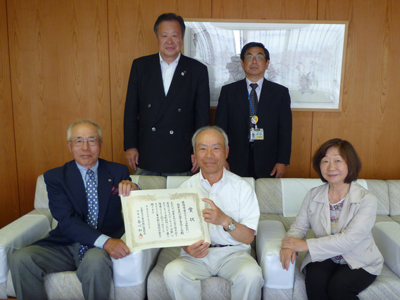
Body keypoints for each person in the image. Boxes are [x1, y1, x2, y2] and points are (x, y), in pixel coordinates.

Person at [10, 120, 139, 300]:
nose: (85, 147)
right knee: (20, 258)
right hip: (66, 245)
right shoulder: (55, 177)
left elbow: (137, 205)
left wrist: (134, 190)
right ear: (70, 146)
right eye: (78, 141)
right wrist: (107, 241)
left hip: (98, 251)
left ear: (100, 144)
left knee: (95, 261)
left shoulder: (117, 171)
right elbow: (67, 220)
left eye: (92, 140)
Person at [163, 126, 264, 300]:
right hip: (196, 257)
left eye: (216, 148)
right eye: (202, 148)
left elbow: (248, 237)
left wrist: (224, 220)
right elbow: (177, 232)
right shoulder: (184, 189)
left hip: (233, 254)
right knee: (173, 272)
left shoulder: (242, 188)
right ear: (194, 154)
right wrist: (187, 247)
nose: (209, 155)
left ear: (226, 152)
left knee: (251, 274)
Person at [280, 138, 383, 299]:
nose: (331, 167)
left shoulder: (367, 199)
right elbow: (299, 227)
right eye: (325, 161)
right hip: (324, 255)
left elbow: (349, 240)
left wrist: (304, 245)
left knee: (339, 287)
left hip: (358, 259)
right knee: (315, 282)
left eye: (337, 160)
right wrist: (289, 244)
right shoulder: (313, 194)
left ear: (350, 164)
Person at [124, 13, 210, 176]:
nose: (169, 41)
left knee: (180, 200)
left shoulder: (197, 70)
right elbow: (131, 110)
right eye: (164, 36)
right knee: (148, 200)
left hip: (182, 153)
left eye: (174, 36)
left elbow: (202, 116)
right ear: (157, 37)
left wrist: (199, 149)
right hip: (147, 151)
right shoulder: (141, 66)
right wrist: (130, 146)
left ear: (182, 38)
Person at [214, 42, 292, 179]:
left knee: (265, 199)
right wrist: (221, 158)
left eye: (259, 57)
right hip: (234, 160)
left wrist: (282, 160)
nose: (254, 61)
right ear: (243, 63)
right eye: (249, 57)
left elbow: (285, 130)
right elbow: (220, 129)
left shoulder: (280, 93)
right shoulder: (229, 92)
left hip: (269, 160)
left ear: (267, 63)